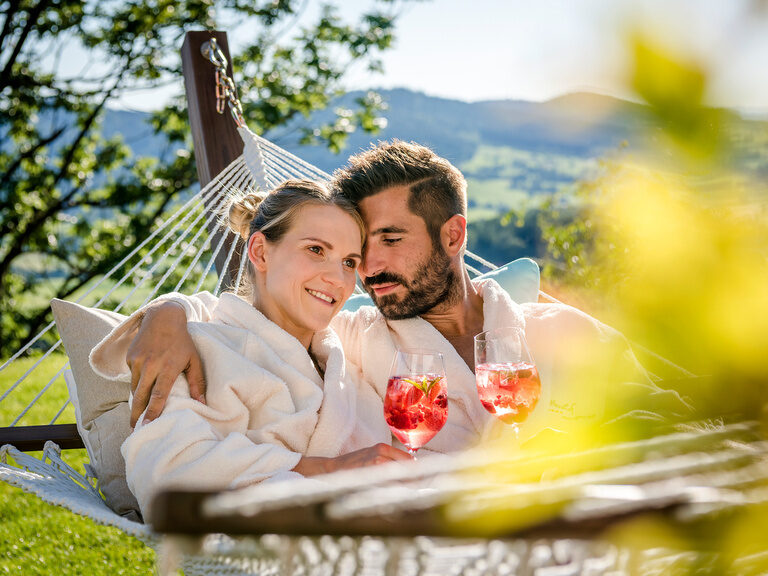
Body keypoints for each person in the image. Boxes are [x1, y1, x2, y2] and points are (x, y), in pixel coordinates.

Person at [121, 141, 692, 453]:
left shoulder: (564, 334)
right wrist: (169, 313)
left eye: (390, 240)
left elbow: (679, 418)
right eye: (357, 252)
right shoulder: (348, 339)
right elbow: (251, 315)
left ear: (454, 235)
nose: (367, 269)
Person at [89, 179, 411, 517]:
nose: (338, 278)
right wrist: (329, 470)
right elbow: (167, 478)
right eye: (316, 250)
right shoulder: (195, 352)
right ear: (259, 251)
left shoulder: (345, 361)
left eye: (348, 262)